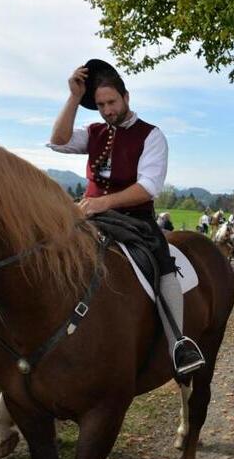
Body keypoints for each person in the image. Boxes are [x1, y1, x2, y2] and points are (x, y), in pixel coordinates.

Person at [47, 59, 204, 376]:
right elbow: (58, 141)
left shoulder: (151, 135)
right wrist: (74, 98)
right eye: (101, 105)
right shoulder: (94, 132)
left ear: (126, 97)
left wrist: (101, 203)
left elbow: (148, 187)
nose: (107, 110)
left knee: (162, 260)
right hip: (88, 216)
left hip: (134, 220)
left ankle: (178, 343)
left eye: (112, 102)